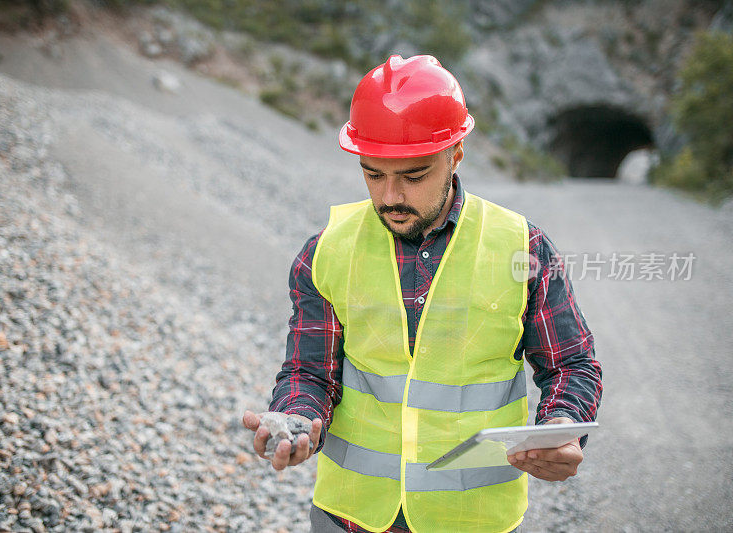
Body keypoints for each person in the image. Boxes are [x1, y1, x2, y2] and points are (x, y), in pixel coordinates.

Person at [242, 54, 602, 533]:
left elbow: (571, 365)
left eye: (413, 176)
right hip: (350, 516)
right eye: (373, 174)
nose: (390, 196)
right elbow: (309, 372)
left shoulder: (522, 247)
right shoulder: (326, 251)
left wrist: (563, 426)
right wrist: (296, 419)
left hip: (471, 520)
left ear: (455, 155)